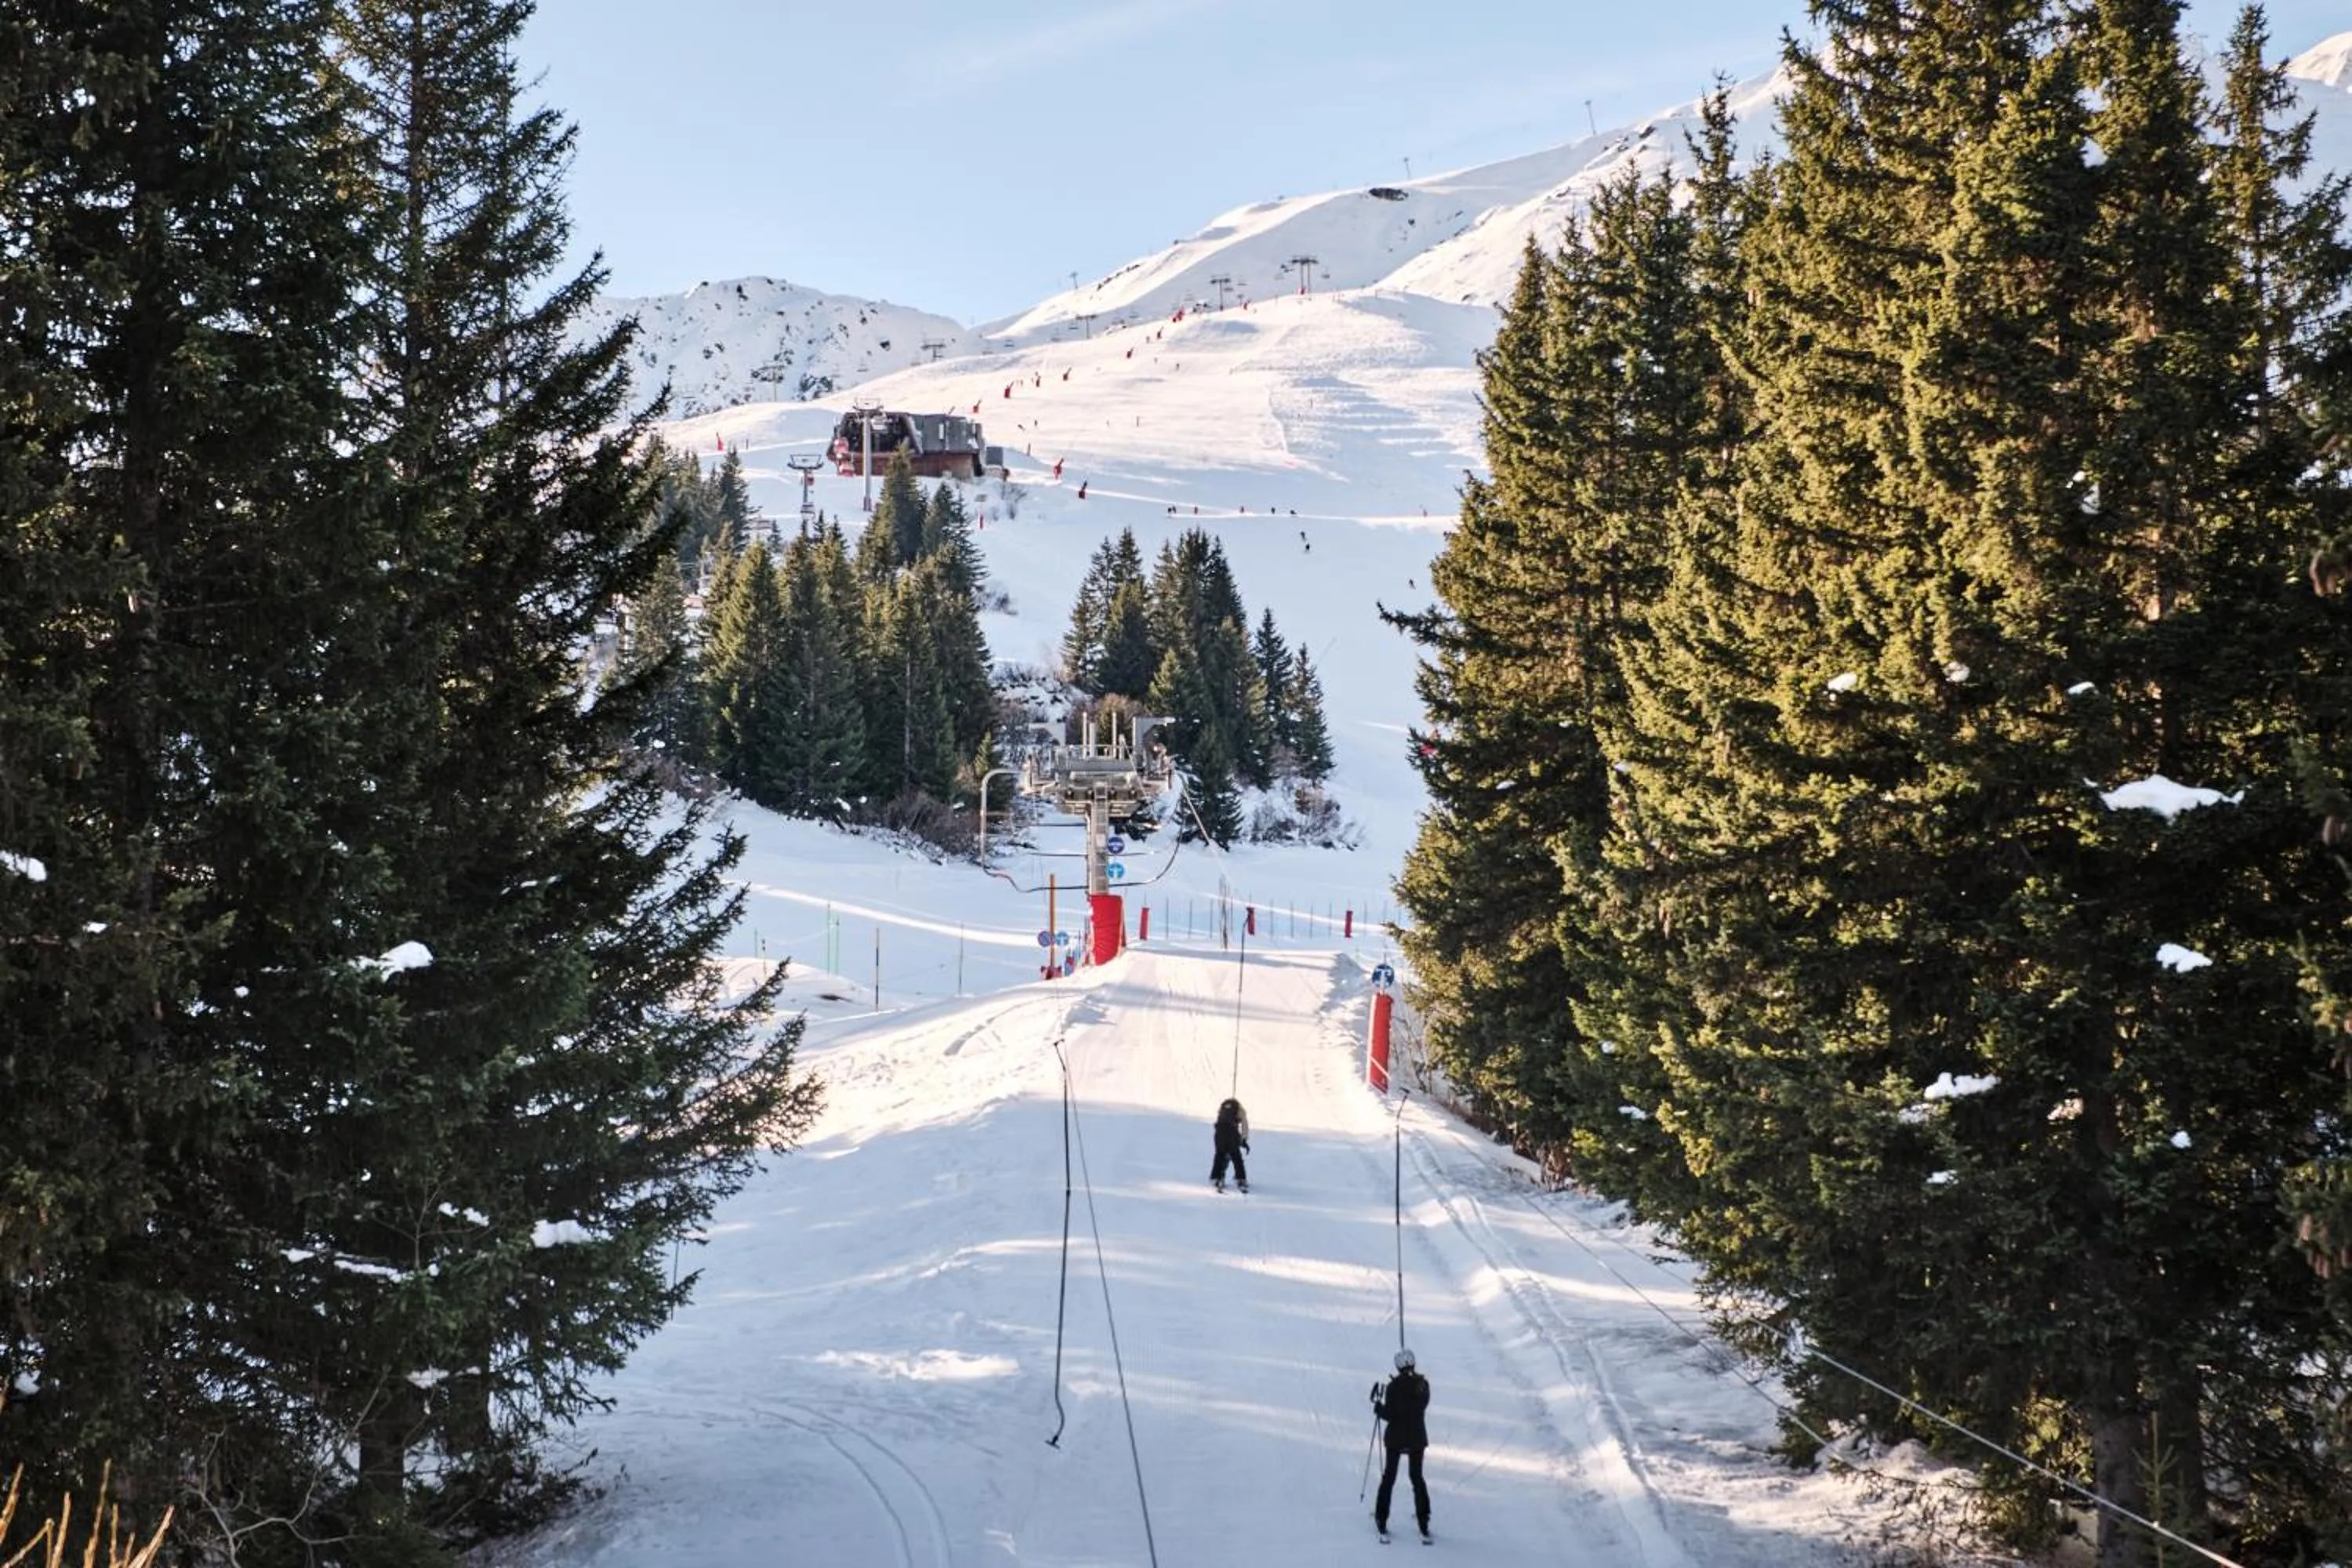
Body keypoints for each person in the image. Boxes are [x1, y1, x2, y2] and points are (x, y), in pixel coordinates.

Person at [1372, 1348, 1432, 1540]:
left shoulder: (1393, 1388)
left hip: (1396, 1439)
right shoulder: (1424, 1385)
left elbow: (1390, 1414)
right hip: (1417, 1439)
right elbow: (1421, 1404)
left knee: (1389, 1477)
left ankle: (1382, 1518)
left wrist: (1378, 1409)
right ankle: (1424, 1519)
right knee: (1417, 1477)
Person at [1211, 1098, 1249, 1192]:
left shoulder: (1222, 1107)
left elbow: (1219, 1120)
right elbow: (1244, 1124)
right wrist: (1244, 1139)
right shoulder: (1240, 1109)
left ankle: (1217, 1177)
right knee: (1236, 1157)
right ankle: (1240, 1178)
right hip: (1231, 1134)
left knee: (1219, 1155)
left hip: (1219, 1133)